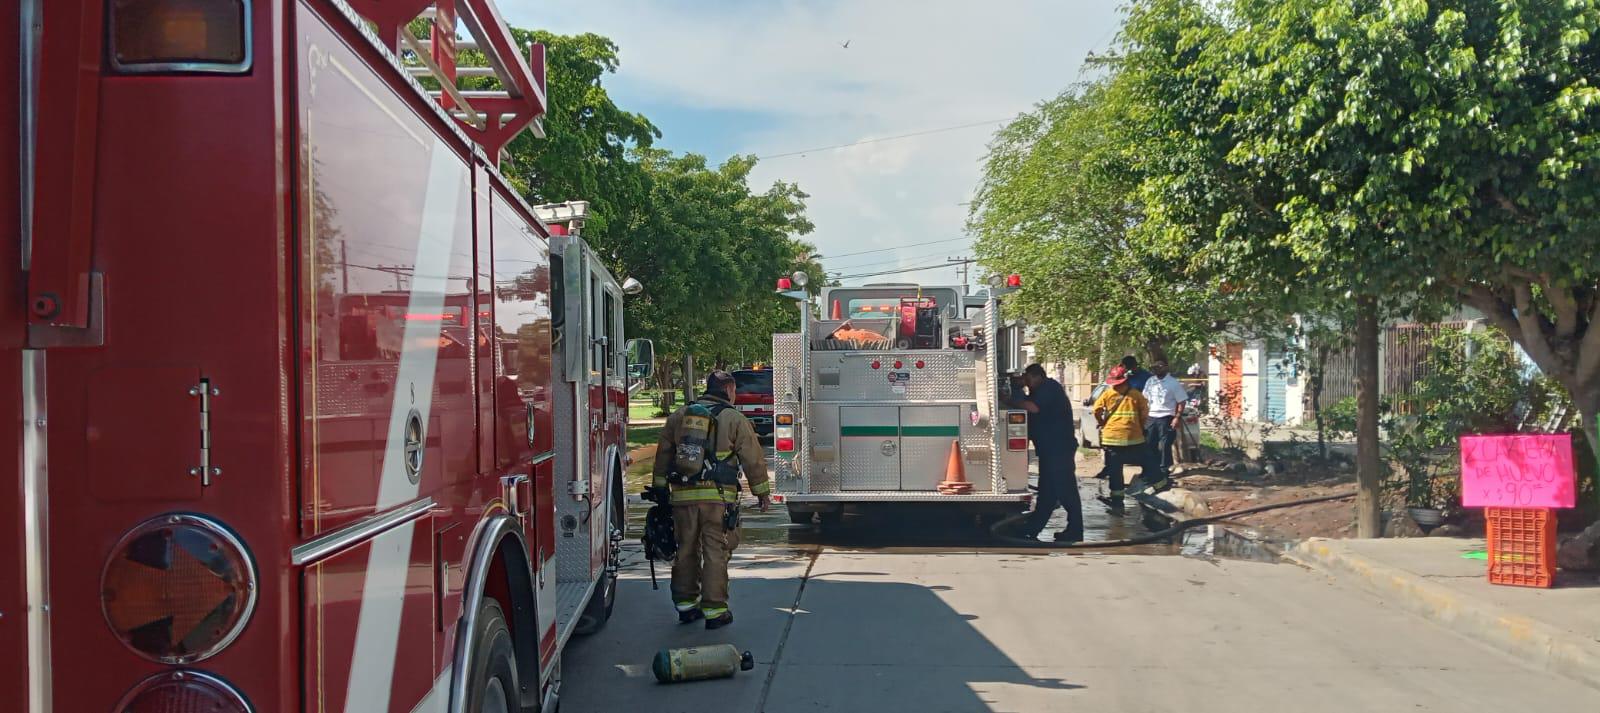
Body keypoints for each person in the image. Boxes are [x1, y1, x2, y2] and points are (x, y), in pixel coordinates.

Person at [651, 371, 772, 630]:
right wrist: (762, 493)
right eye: (734, 390)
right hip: (718, 499)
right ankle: (715, 610)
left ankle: (686, 606)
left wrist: (661, 491)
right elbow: (752, 459)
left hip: (682, 499)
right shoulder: (734, 418)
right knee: (715, 552)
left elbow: (663, 456)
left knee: (685, 550)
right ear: (728, 389)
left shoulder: (679, 417)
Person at [1005, 363, 1084, 542]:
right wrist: (1018, 387)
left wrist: (1010, 400)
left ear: (1038, 376)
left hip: (1059, 449)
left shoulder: (1049, 388)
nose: (1027, 383)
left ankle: (1075, 530)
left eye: (1028, 379)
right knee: (1047, 493)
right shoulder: (1039, 390)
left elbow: (1033, 408)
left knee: (1066, 491)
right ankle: (1032, 529)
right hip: (1049, 450)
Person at [1092, 364, 1163, 507]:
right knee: (1148, 460)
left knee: (1115, 469)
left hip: (1111, 438)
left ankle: (1117, 499)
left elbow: (1096, 410)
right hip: (1133, 437)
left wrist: (1102, 422)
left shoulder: (1107, 393)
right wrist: (1140, 426)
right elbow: (1144, 413)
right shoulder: (1136, 394)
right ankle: (1160, 484)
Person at [1142, 360, 1189, 478]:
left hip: (1166, 417)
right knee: (1149, 444)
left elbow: (1181, 401)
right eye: (1154, 367)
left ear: (1166, 368)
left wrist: (1176, 417)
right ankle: (1151, 469)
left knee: (1164, 445)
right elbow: (1144, 398)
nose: (1156, 369)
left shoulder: (1173, 383)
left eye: (1159, 367)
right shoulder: (1150, 381)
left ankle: (1164, 470)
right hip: (1151, 417)